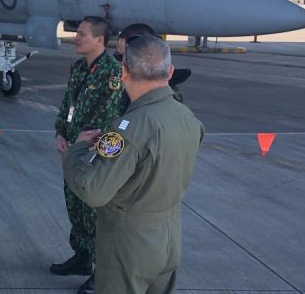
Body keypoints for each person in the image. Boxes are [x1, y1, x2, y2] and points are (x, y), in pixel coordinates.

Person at [63, 35, 204, 294]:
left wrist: (76, 151)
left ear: (124, 71)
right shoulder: (187, 117)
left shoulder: (131, 127)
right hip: (169, 239)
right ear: (170, 71)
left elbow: (93, 191)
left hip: (129, 246)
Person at [51, 16, 123, 294]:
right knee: (75, 206)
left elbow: (110, 115)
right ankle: (82, 257)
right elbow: (68, 101)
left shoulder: (112, 71)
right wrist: (60, 132)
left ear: (99, 40)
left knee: (94, 213)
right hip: (73, 149)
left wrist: (87, 143)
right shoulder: (80, 67)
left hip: (93, 153)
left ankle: (101, 272)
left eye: (81, 34)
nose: (75, 38)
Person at [114, 23, 190, 113]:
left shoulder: (165, 99)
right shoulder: (130, 85)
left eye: (123, 57)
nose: (121, 63)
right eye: (118, 56)